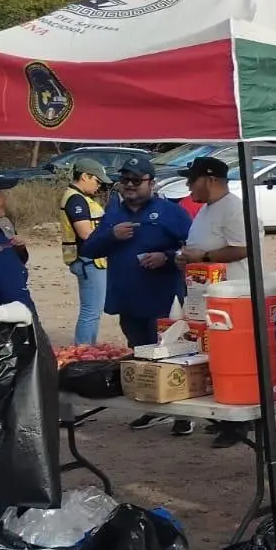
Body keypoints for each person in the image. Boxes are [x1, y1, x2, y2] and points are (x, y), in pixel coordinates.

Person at [78, 158, 194, 436]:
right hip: (128, 299)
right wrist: (112, 236)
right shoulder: (114, 213)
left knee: (170, 355)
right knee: (140, 355)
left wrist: (165, 257)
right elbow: (90, 249)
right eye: (125, 180)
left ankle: (182, 413)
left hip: (164, 300)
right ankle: (152, 409)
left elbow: (192, 249)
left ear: (151, 183)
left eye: (137, 180)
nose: (130, 185)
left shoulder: (170, 212)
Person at [178, 157, 252, 449]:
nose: (187, 185)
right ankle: (223, 417)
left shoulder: (234, 208)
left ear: (210, 179)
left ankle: (238, 423)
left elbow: (243, 248)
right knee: (209, 353)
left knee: (232, 356)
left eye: (192, 179)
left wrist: (204, 258)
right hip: (207, 294)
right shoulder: (205, 210)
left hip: (233, 295)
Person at [59, 157, 112, 345]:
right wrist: (112, 237)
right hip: (89, 261)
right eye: (97, 181)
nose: (98, 186)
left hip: (90, 260)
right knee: (91, 311)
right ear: (85, 176)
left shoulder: (80, 198)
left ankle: (86, 350)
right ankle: (84, 353)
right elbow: (86, 233)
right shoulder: (76, 199)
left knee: (92, 310)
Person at [0, 174, 33, 314]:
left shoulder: (4, 224)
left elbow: (19, 259)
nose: (4, 198)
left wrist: (20, 248)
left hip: (19, 305)